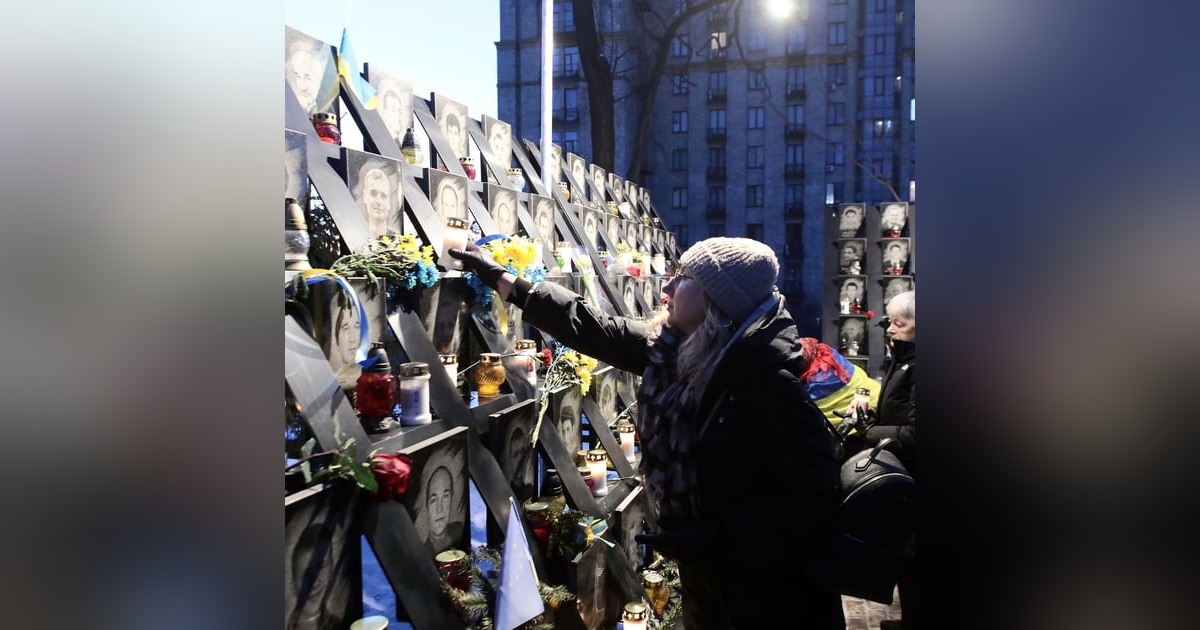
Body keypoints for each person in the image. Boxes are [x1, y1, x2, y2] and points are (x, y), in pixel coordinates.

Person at [450, 236, 845, 628]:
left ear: (717, 301)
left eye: (683, 278)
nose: (667, 287)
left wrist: (716, 539)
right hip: (708, 580)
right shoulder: (678, 351)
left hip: (768, 600)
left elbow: (814, 505)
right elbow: (592, 327)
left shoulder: (768, 384)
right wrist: (505, 279)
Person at [845, 289, 915, 630]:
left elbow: (916, 433)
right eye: (890, 322)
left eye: (899, 324)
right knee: (906, 555)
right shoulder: (902, 358)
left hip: (913, 476)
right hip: (903, 474)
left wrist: (867, 432)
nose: (889, 329)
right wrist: (871, 413)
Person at [354, 162, 397, 237]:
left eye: (383, 196)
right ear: (365, 196)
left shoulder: (398, 241)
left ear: (389, 203)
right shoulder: (355, 235)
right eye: (373, 194)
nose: (378, 201)